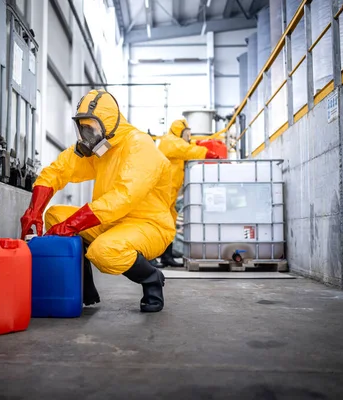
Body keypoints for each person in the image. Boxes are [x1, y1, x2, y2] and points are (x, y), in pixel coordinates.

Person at [20, 89, 175, 313]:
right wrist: (34, 210)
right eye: (82, 128)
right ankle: (83, 287)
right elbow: (58, 170)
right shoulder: (102, 146)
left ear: (108, 124)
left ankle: (152, 278)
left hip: (148, 225)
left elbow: (123, 197)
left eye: (90, 128)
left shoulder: (140, 146)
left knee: (104, 252)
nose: (86, 135)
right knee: (55, 216)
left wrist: (73, 224)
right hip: (111, 220)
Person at [153, 119, 221, 267]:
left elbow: (187, 148)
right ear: (179, 131)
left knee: (169, 223)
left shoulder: (176, 142)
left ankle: (166, 257)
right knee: (156, 222)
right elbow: (186, 150)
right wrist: (205, 152)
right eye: (186, 133)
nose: (189, 137)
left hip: (170, 191)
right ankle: (149, 257)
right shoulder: (169, 141)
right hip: (161, 190)